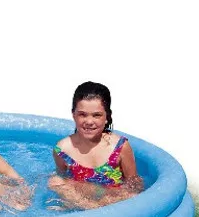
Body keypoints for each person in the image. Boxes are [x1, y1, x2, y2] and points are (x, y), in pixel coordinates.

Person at [48, 81, 144, 210]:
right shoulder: (63, 150)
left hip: (113, 201)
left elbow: (134, 185)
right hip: (82, 201)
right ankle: (91, 208)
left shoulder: (120, 147)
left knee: (132, 194)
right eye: (82, 114)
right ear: (73, 115)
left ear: (107, 117)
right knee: (55, 182)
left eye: (96, 115)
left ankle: (94, 209)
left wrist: (98, 192)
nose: (89, 121)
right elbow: (63, 177)